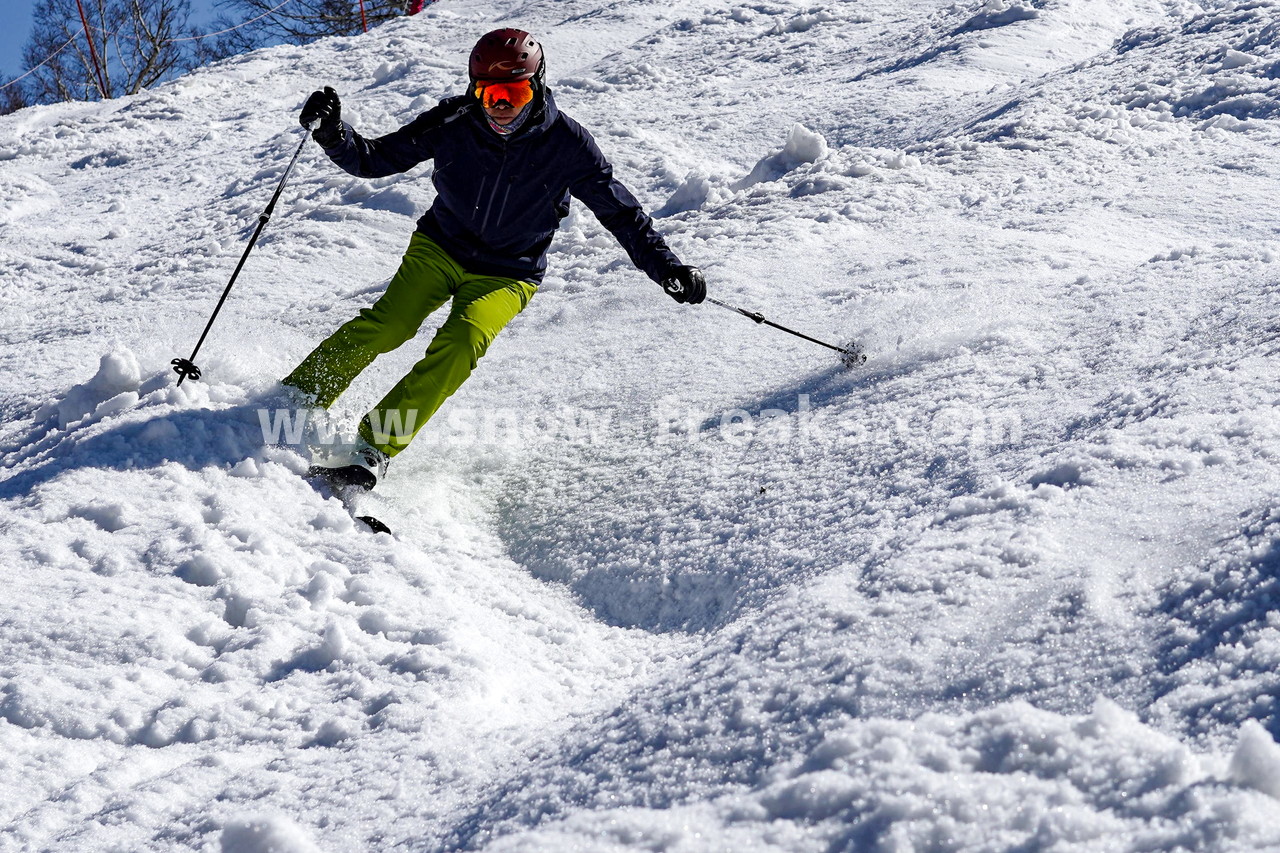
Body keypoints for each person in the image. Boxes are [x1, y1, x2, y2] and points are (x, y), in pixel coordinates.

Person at [285, 28, 706, 489]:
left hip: (508, 273)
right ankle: (301, 396)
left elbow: (621, 214)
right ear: (474, 89)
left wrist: (667, 267)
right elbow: (377, 159)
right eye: (489, 93)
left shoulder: (568, 144)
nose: (501, 106)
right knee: (392, 323)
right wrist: (333, 133)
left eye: (516, 91)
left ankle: (373, 447)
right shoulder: (454, 120)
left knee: (462, 343)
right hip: (440, 247)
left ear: (538, 85)